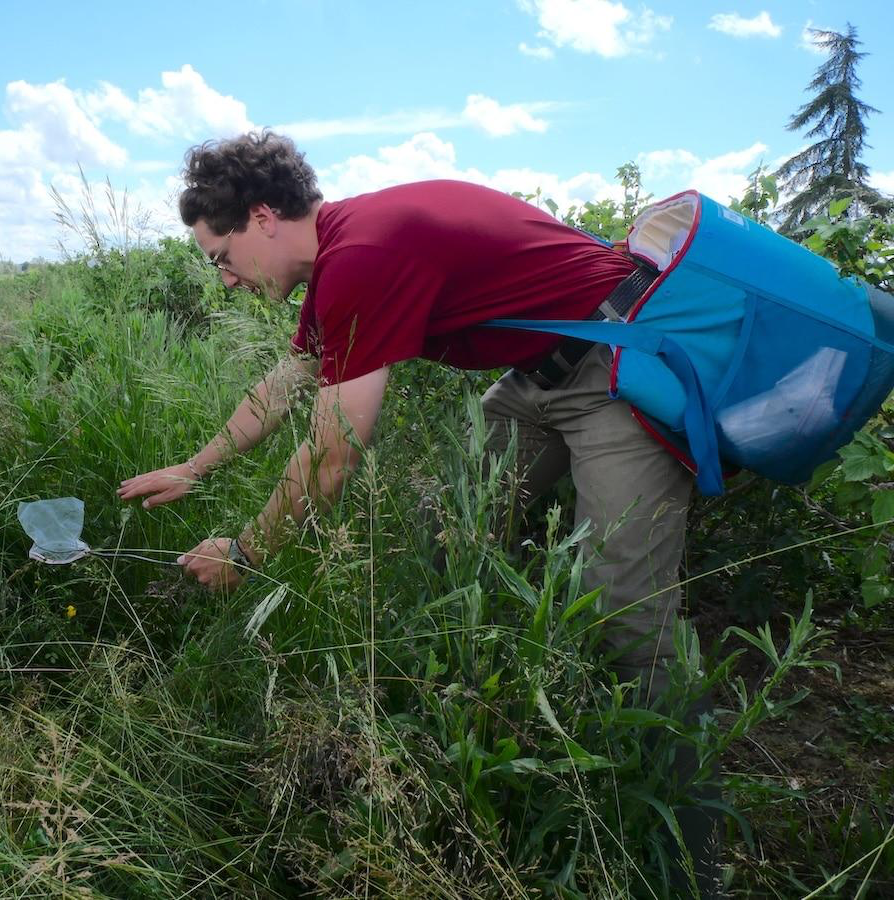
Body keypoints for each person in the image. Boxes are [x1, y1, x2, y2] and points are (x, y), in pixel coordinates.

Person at [116, 130, 719, 894]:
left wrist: (245, 552)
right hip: (536, 377)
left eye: (221, 257)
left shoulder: (362, 252)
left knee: (627, 613)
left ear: (263, 217)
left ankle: (692, 855)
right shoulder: (343, 254)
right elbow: (289, 380)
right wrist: (194, 468)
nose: (226, 280)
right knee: (447, 544)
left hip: (620, 362)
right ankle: (488, 723)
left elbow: (333, 452)